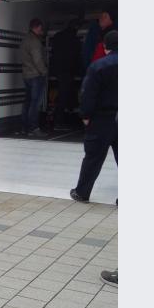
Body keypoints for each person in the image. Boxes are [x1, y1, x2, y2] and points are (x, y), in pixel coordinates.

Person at [70, 30, 117, 203]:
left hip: (102, 118)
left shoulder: (98, 66)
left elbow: (88, 93)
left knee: (93, 158)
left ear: (105, 47)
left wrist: (85, 115)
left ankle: (82, 193)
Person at [50, 19, 82, 130]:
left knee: (62, 95)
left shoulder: (58, 36)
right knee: (64, 96)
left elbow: (53, 53)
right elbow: (77, 57)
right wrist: (79, 71)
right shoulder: (75, 40)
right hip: (68, 71)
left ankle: (58, 119)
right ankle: (59, 121)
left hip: (57, 71)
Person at [19, 18, 48, 137]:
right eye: (41, 28)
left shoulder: (25, 39)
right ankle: (34, 128)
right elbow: (38, 59)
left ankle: (24, 128)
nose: (42, 31)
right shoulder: (35, 41)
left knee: (27, 102)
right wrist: (44, 71)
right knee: (35, 103)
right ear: (37, 27)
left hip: (26, 75)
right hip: (36, 75)